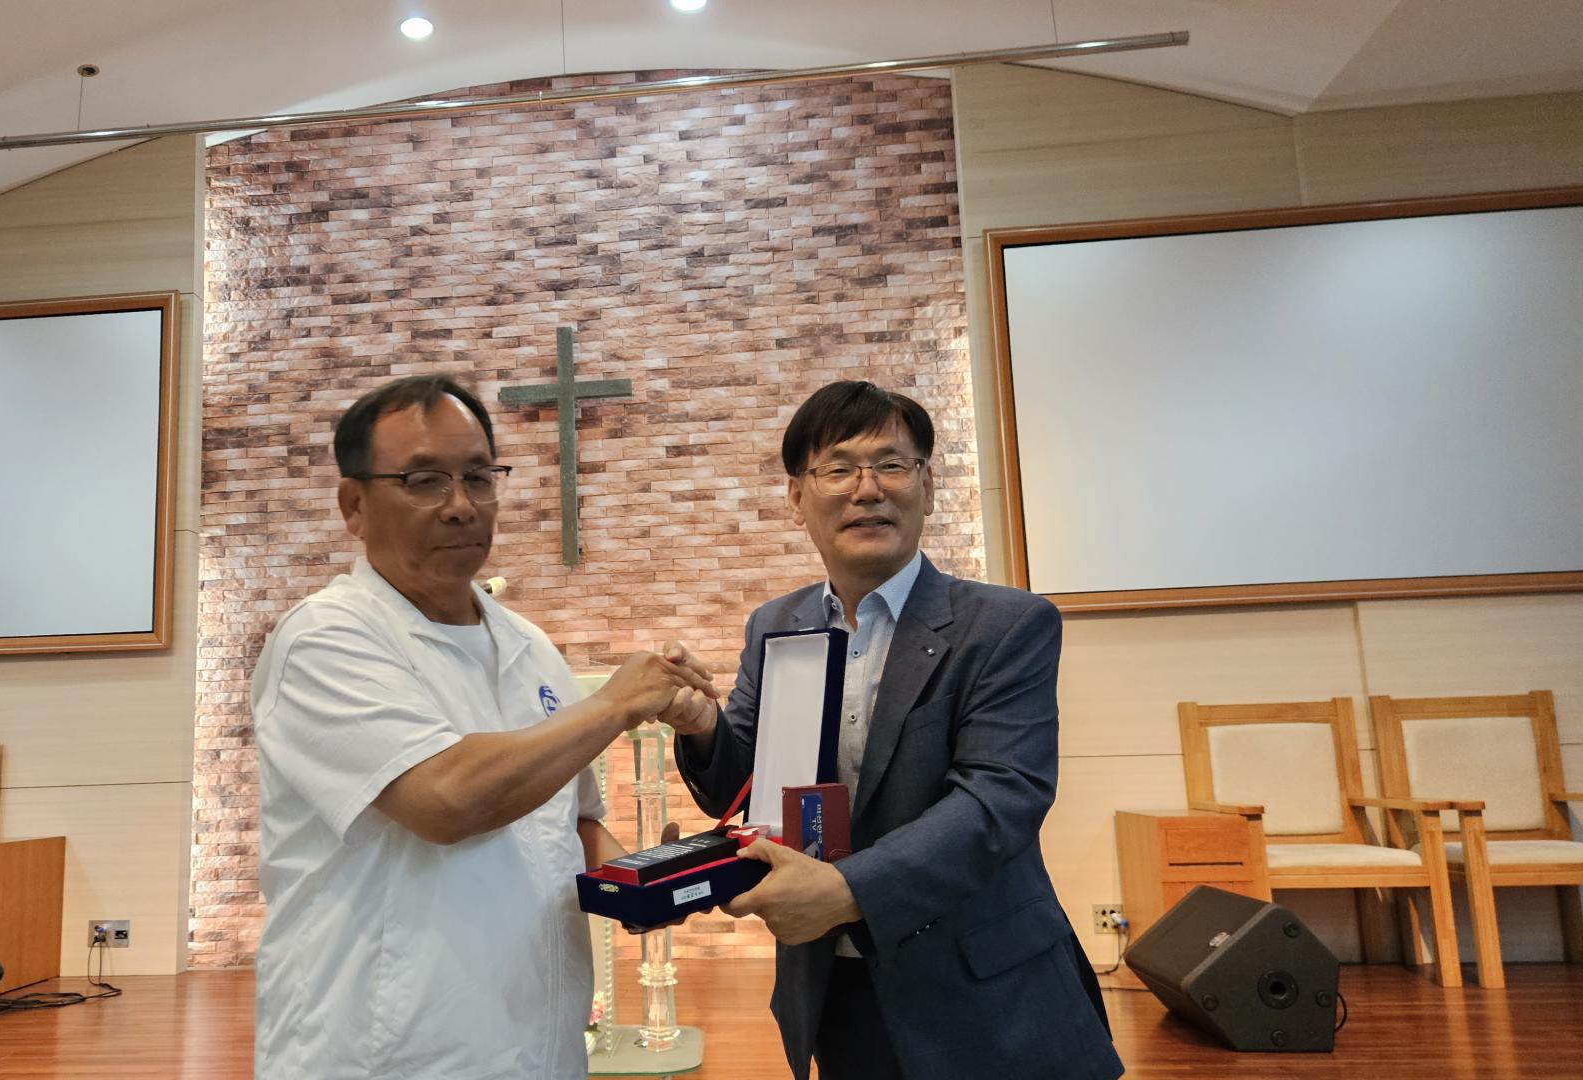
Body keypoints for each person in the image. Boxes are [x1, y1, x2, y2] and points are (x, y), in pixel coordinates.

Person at [251, 375, 718, 1080]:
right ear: (354, 505)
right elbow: (446, 800)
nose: (461, 506)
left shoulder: (529, 646)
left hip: (540, 1048)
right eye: (424, 481)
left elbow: (570, 825)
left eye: (478, 477)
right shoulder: (326, 640)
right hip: (383, 1056)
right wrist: (614, 704)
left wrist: (637, 881)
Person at [669, 380, 1122, 1080]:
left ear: (927, 486)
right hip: (836, 989)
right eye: (839, 468)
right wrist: (704, 730)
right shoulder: (777, 625)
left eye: (891, 464)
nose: (868, 489)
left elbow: (999, 800)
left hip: (990, 999)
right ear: (797, 497)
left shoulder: (1006, 625)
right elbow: (750, 789)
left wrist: (845, 890)